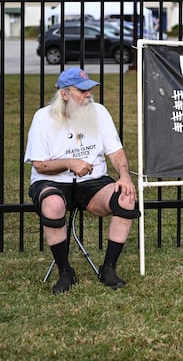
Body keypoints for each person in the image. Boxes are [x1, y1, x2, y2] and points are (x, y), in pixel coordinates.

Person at [24, 67, 139, 294]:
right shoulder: (42, 118)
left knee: (125, 197)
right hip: (52, 181)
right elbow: (39, 164)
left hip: (93, 182)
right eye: (82, 90)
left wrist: (124, 176)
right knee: (53, 204)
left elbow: (115, 152)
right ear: (64, 94)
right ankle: (65, 271)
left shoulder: (99, 112)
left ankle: (108, 269)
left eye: (90, 90)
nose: (88, 95)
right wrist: (70, 163)